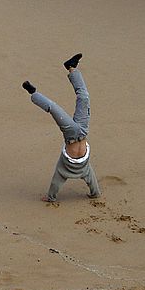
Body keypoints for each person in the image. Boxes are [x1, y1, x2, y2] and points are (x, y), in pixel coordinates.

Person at [22, 53, 101, 202]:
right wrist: (94, 194)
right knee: (84, 97)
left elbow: (54, 185)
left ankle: (33, 93)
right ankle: (72, 67)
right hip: (83, 131)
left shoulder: (62, 171)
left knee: (53, 108)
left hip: (71, 134)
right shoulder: (86, 170)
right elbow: (95, 189)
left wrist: (50, 198)